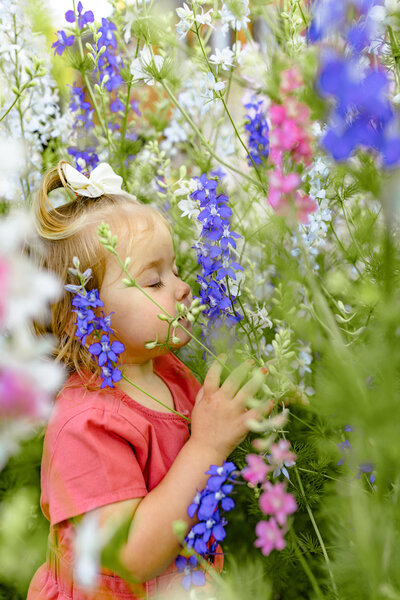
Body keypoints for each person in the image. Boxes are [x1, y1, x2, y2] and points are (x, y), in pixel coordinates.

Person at [27, 161, 267, 599]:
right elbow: (133, 556)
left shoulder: (167, 370)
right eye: (154, 280)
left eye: (174, 270)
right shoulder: (84, 424)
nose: (181, 288)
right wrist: (209, 445)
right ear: (83, 317)